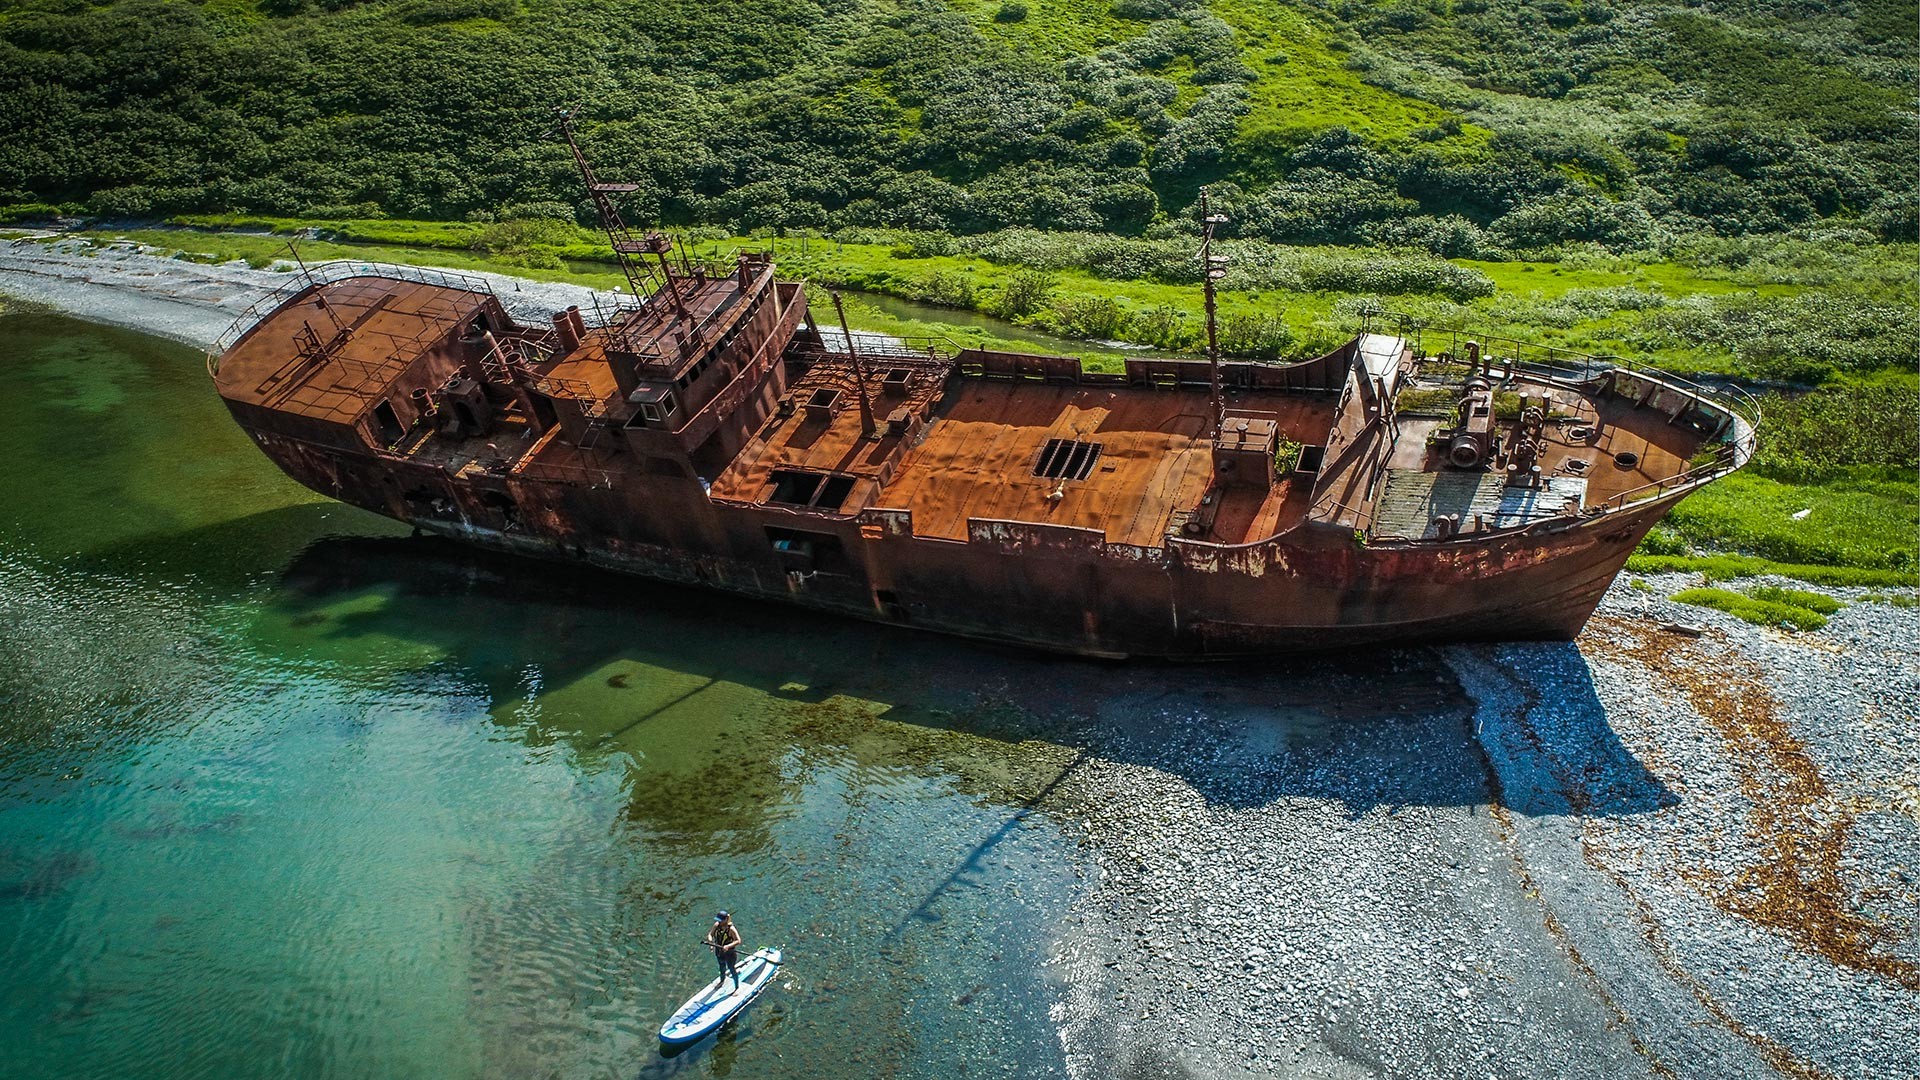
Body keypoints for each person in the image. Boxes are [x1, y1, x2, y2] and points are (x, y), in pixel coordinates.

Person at [706, 911, 743, 988]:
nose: (719, 921)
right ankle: (722, 981)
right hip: (719, 952)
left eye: (721, 920)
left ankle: (736, 987)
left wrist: (728, 946)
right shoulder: (717, 925)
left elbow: (738, 940)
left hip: (730, 954)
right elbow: (710, 934)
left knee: (731, 969)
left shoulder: (731, 929)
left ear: (726, 919)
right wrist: (710, 942)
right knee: (722, 968)